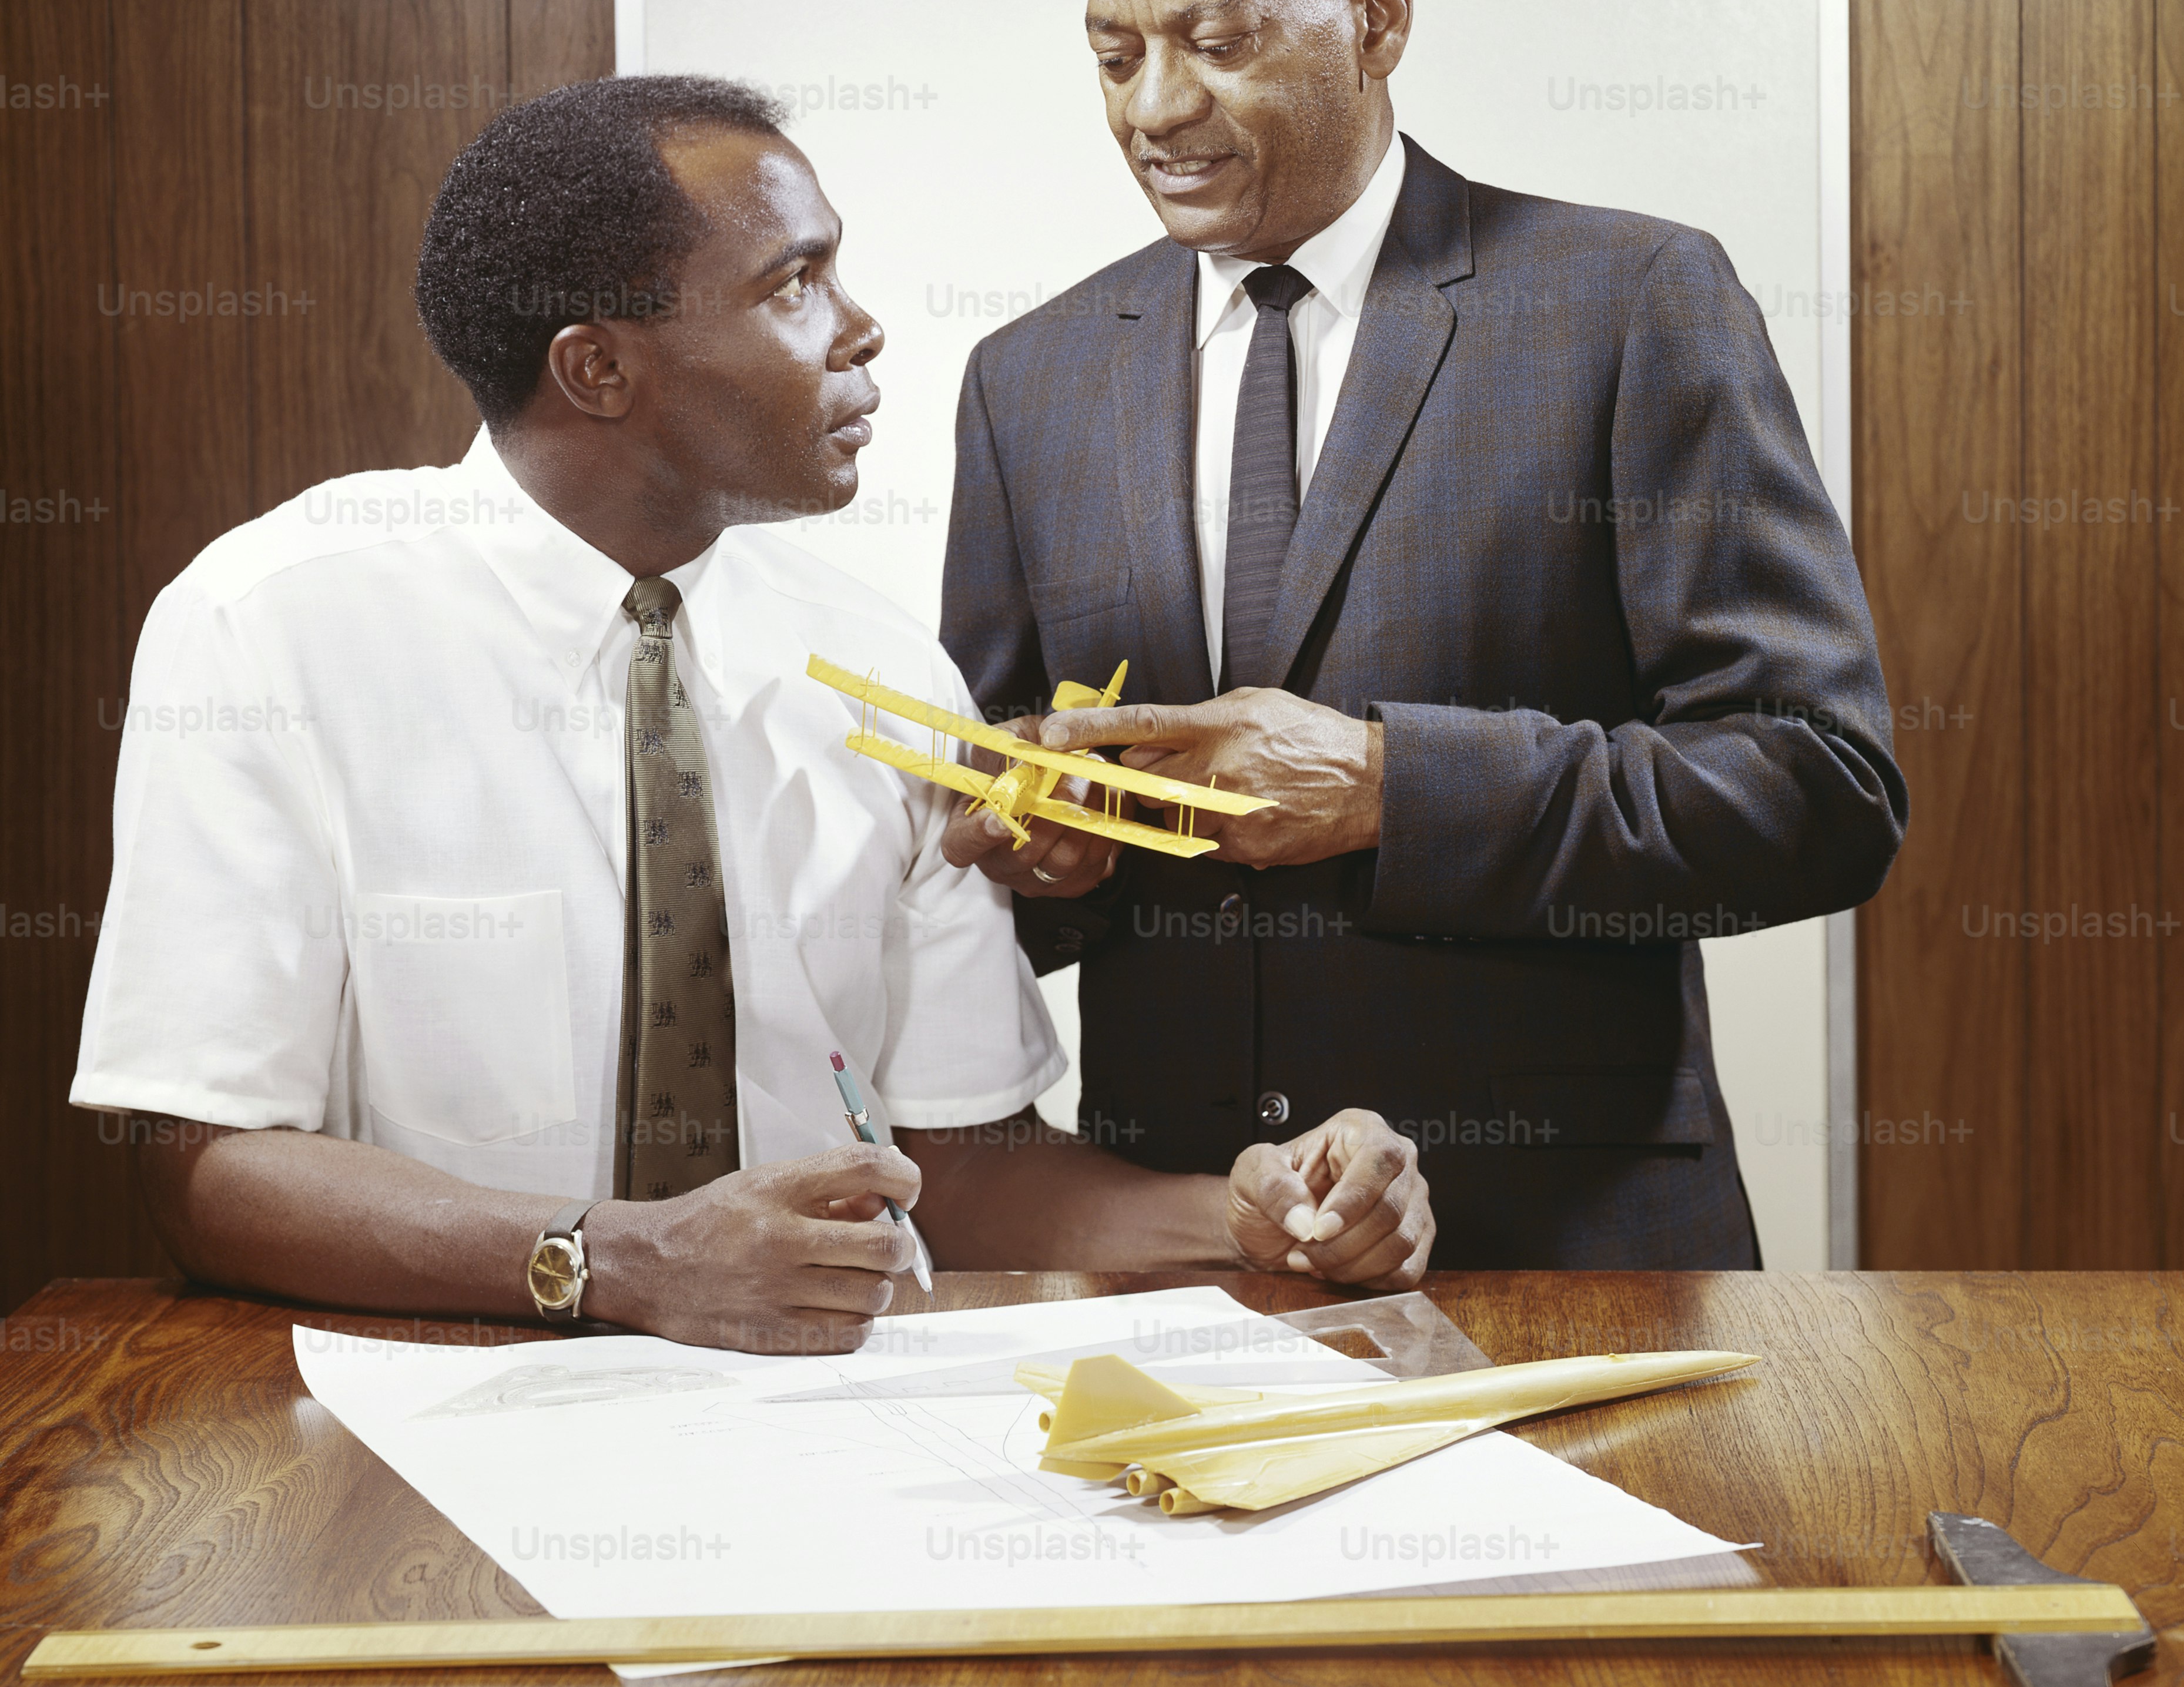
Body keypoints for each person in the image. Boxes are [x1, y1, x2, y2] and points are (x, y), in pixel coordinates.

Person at [71, 76, 1432, 1349]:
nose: (861, 327)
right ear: (598, 370)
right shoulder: (269, 627)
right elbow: (203, 1168)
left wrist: (1253, 1215)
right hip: (451, 1408)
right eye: (794, 283)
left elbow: (960, 1171)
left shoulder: (885, 673)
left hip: (833, 1416)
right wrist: (623, 1262)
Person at [939, 0, 1907, 1270]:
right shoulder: (1027, 382)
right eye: (1114, 55)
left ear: (1376, 17)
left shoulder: (1630, 305)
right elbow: (994, 863)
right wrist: (1047, 864)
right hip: (1191, 1264)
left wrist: (1392, 786)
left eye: (1215, 42)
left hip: (1571, 1265)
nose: (1153, 109)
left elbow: (1819, 788)